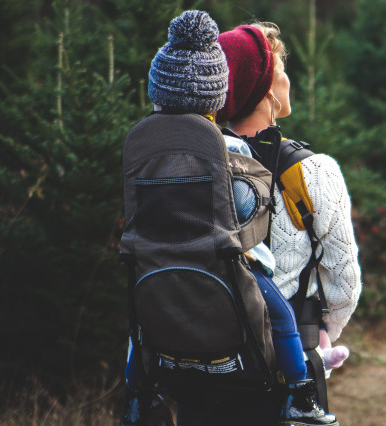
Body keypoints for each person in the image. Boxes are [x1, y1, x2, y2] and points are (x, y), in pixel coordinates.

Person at [121, 10, 336, 426]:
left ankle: (135, 396)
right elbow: (241, 208)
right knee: (280, 314)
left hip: (152, 258)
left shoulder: (144, 144)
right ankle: (300, 394)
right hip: (219, 257)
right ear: (214, 95)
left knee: (140, 324)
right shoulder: (222, 147)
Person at [216, 22, 362, 422]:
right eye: (281, 70)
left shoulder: (199, 165)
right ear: (266, 90)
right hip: (288, 366)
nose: (288, 79)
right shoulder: (314, 172)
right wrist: (317, 337)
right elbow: (344, 284)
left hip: (209, 361)